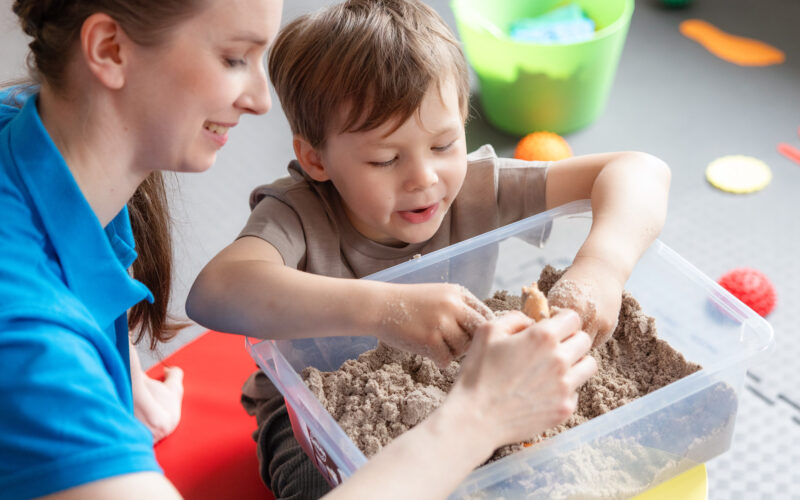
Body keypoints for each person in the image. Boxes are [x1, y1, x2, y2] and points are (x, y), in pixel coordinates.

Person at [0, 1, 597, 500]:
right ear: (108, 49)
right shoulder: (28, 342)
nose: (262, 99)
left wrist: (119, 383)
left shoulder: (42, 135)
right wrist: (482, 413)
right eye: (234, 57)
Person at [186, 0, 671, 498]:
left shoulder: (476, 187)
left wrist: (602, 268)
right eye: (385, 158)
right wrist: (384, 307)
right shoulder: (299, 214)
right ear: (316, 159)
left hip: (475, 384)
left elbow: (641, 171)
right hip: (312, 416)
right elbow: (213, 292)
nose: (424, 178)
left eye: (443, 145)